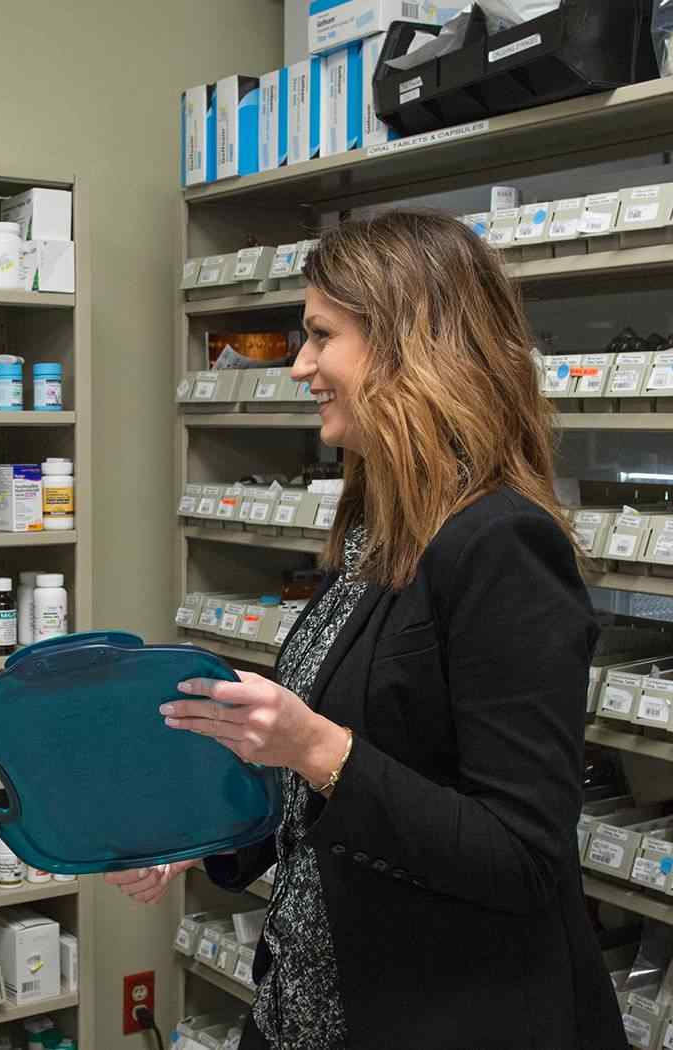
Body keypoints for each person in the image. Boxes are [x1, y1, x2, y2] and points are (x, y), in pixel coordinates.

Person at [109, 211, 625, 1050]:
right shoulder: (378, 531)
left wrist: (319, 748)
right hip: (307, 1014)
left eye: (321, 336)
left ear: (408, 346)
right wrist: (197, 834)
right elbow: (340, 777)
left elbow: (524, 854)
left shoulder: (502, 544)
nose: (304, 366)